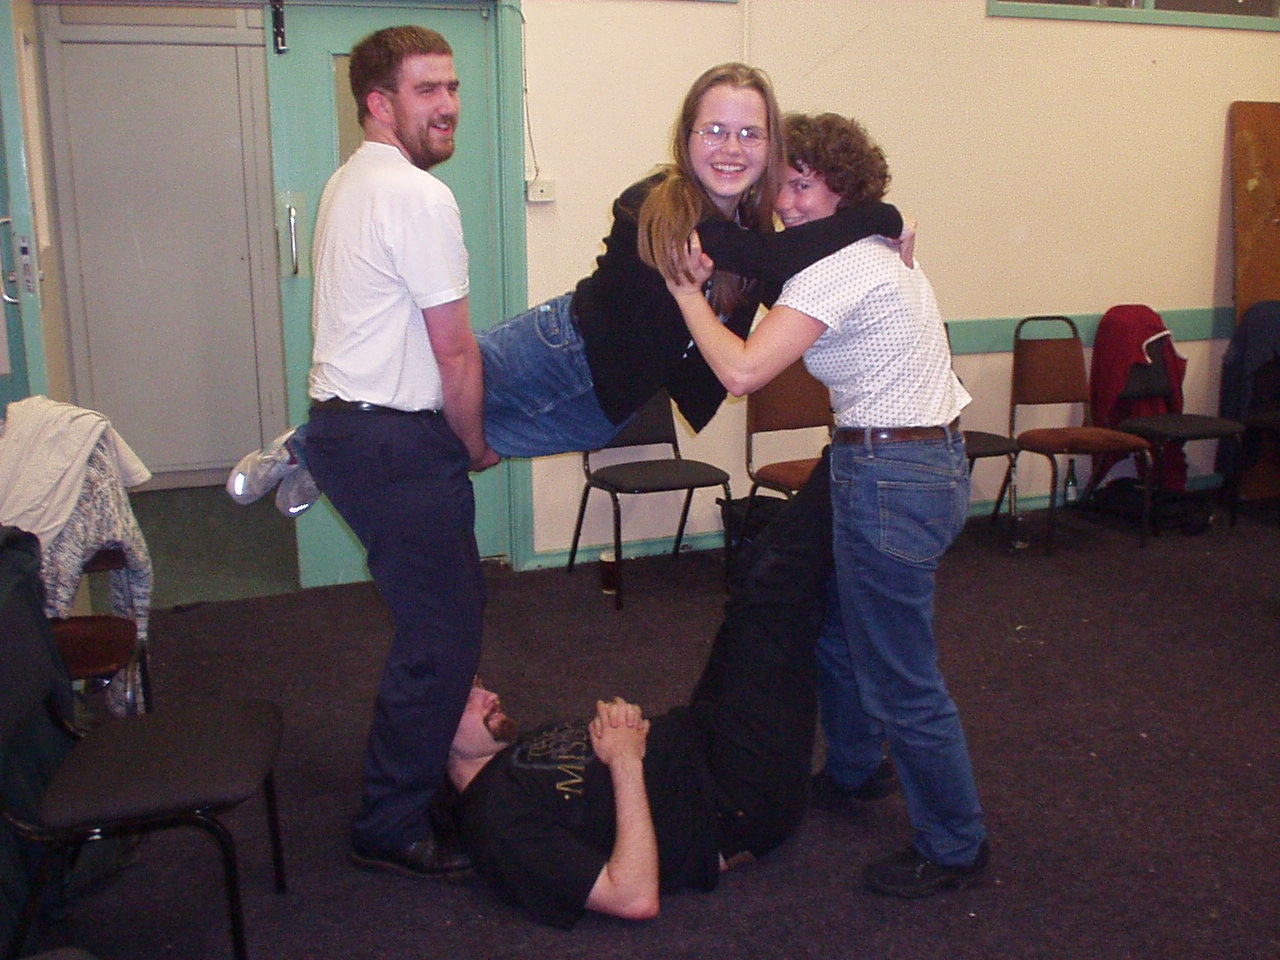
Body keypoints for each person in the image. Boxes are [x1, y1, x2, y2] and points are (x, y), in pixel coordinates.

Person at [226, 63, 907, 511]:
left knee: (450, 443)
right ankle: (311, 444)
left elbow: (793, 267)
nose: (731, 147)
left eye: (750, 134)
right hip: (559, 349)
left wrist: (866, 240)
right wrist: (881, 218)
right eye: (716, 130)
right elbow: (770, 256)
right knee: (418, 393)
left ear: (770, 146)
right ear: (688, 136)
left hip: (607, 403)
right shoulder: (657, 201)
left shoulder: (758, 224)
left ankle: (330, 462)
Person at [658, 112, 988, 898]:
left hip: (892, 474)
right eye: (782, 187)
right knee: (839, 631)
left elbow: (742, 372)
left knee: (900, 674)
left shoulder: (838, 268)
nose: (788, 203)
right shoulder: (870, 248)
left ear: (844, 188)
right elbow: (770, 263)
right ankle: (855, 769)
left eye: (803, 186)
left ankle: (956, 845)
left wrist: (685, 293)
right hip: (906, 461)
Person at [447, 448, 837, 928]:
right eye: (467, 700)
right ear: (434, 739)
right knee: (773, 591)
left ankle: (859, 462)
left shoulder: (511, 765)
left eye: (479, 685)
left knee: (766, 583)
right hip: (734, 800)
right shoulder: (496, 822)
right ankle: (862, 446)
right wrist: (625, 760)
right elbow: (632, 898)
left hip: (703, 733)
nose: (489, 695)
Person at [302, 25, 498, 878]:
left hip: (350, 432)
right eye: (427, 90)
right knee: (440, 636)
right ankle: (389, 822)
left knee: (439, 620)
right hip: (392, 440)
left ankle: (420, 777)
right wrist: (475, 443)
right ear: (379, 103)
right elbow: (454, 351)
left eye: (452, 87)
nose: (448, 105)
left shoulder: (351, 180)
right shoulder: (417, 196)